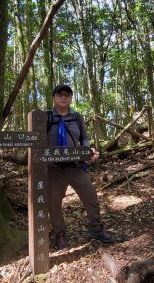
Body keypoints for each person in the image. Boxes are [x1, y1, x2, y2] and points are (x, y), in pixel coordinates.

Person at [47, 84, 114, 249]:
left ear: (71, 98)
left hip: (75, 166)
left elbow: (84, 138)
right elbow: (37, 141)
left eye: (67, 95)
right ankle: (60, 233)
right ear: (54, 97)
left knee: (90, 196)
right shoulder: (46, 117)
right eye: (60, 94)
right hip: (53, 168)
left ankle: (96, 229)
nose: (64, 97)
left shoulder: (77, 117)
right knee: (54, 202)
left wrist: (88, 151)